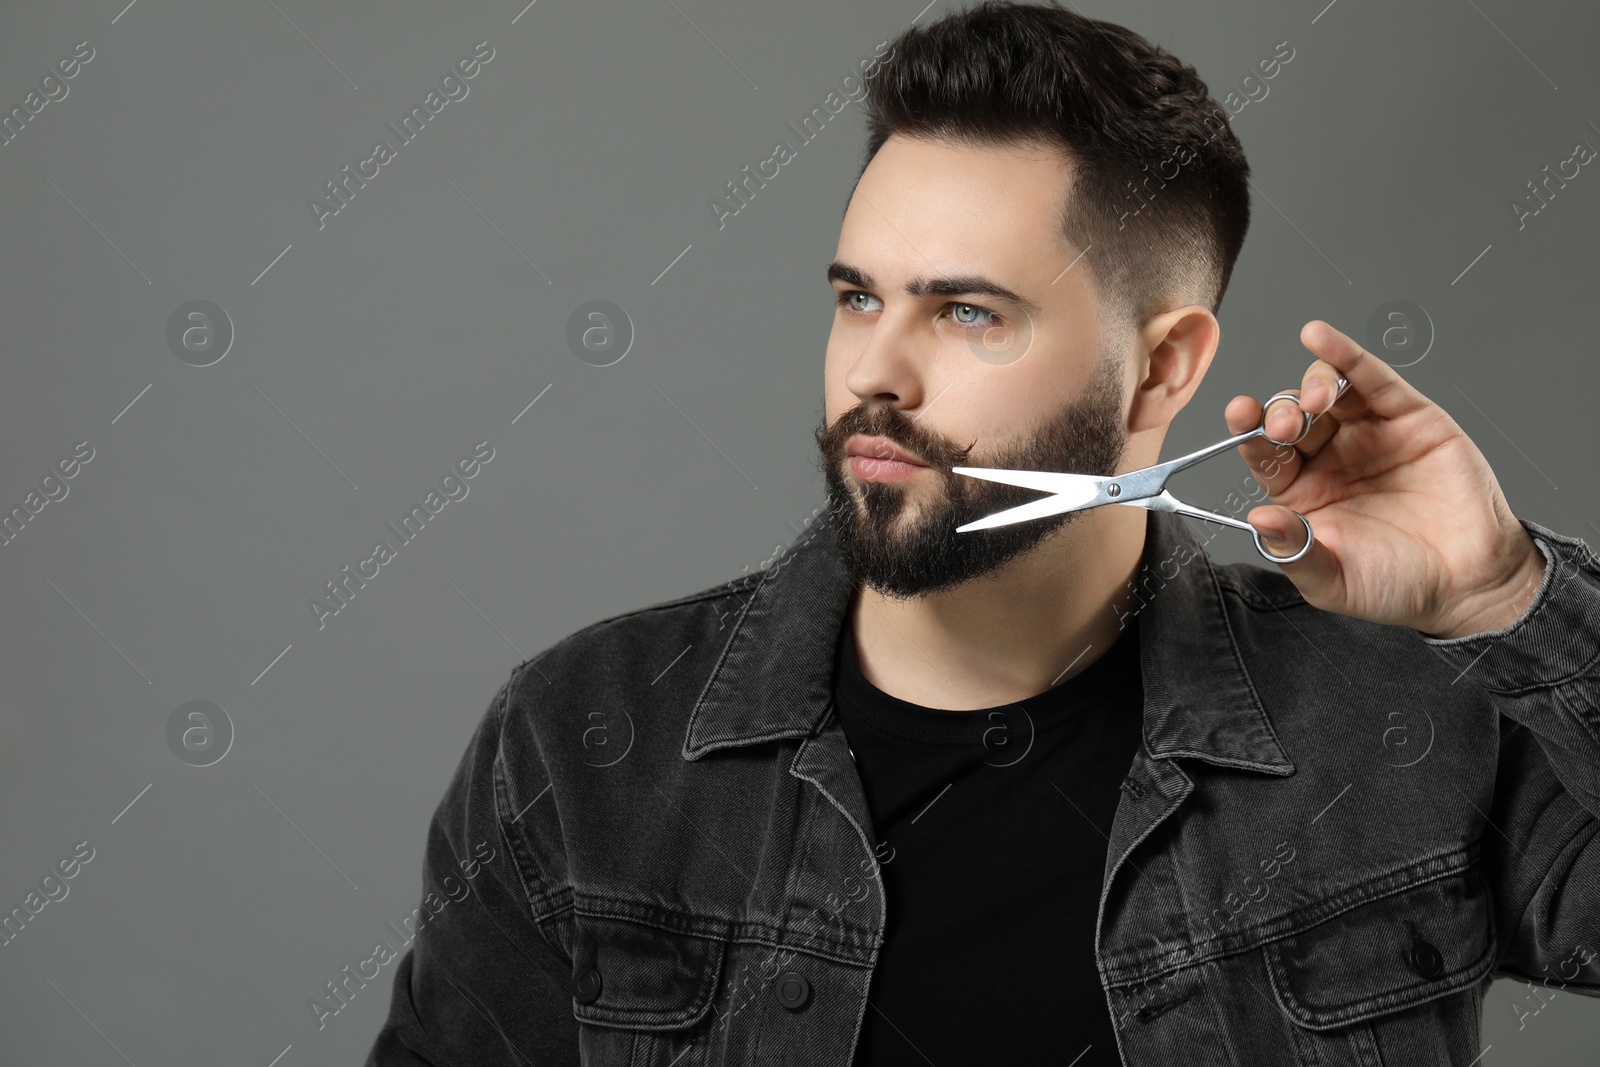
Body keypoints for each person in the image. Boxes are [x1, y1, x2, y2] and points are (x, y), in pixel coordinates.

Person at [365, 3, 1600, 1064]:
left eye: (965, 311)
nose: (874, 376)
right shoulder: (588, 738)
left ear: (1161, 366)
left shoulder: (1407, 722)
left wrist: (1506, 593)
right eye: (858, 297)